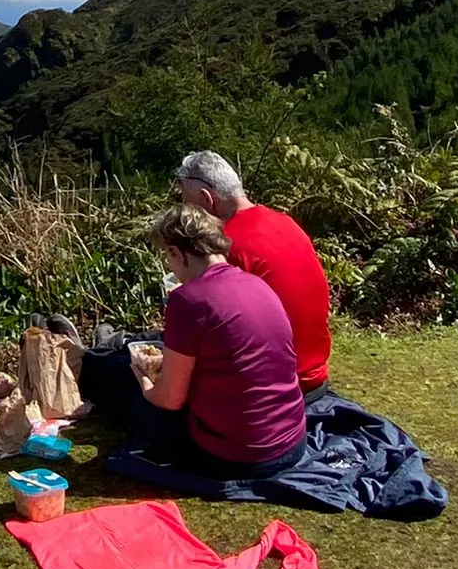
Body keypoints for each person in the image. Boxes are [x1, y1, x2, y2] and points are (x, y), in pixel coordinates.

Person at [126, 204, 307, 477]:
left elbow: (170, 400)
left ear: (176, 252)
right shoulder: (257, 283)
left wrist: (145, 384)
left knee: (127, 390)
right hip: (292, 442)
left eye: (168, 256)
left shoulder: (187, 300)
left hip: (239, 456)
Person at [176, 149, 333, 397]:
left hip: (274, 384)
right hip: (314, 375)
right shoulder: (285, 223)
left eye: (188, 204)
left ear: (207, 200)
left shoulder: (223, 246)